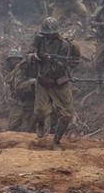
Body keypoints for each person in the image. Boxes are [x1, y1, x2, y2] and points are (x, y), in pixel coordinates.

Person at [29, 17, 81, 146]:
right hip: (43, 81)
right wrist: (34, 56)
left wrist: (54, 60)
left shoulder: (64, 45)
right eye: (47, 34)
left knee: (67, 115)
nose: (49, 36)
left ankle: (56, 141)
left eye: (51, 34)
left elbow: (67, 64)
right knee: (40, 111)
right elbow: (29, 53)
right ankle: (40, 124)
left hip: (60, 82)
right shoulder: (39, 40)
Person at [5, 49, 38, 132]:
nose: (13, 62)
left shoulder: (25, 69)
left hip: (29, 102)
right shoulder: (12, 72)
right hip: (17, 102)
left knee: (29, 128)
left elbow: (22, 85)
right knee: (12, 127)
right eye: (11, 60)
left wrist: (32, 82)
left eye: (15, 59)